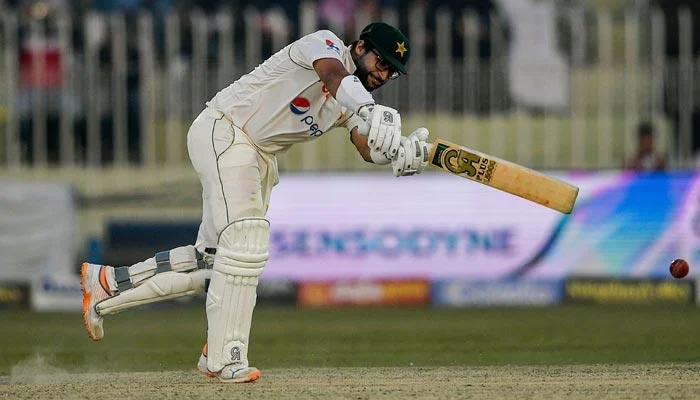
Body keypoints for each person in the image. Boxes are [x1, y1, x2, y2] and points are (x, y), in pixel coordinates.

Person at [80, 22, 430, 383]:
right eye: (381, 62)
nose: (383, 74)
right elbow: (334, 76)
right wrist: (371, 110)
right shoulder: (324, 46)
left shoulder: (352, 103)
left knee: (215, 261)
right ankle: (223, 357)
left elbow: (364, 145)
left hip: (258, 156)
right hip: (227, 130)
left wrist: (397, 153)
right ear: (359, 47)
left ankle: (108, 285)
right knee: (246, 241)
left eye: (391, 71)